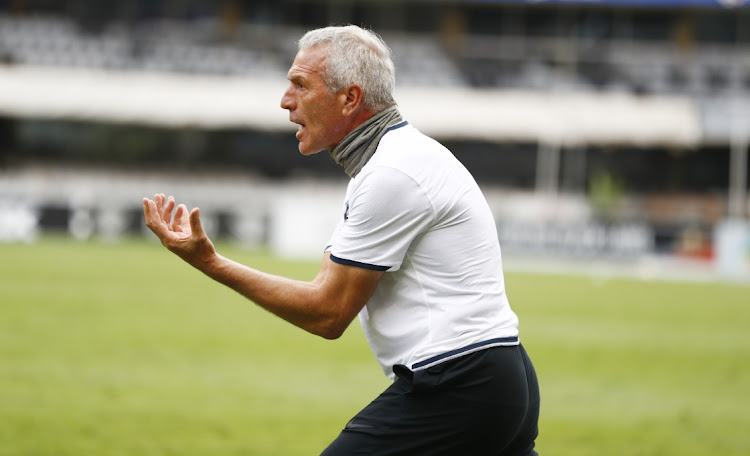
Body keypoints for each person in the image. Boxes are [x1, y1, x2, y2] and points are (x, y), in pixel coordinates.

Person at [143, 25, 539, 455]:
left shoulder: (391, 174)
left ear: (350, 98)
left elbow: (328, 314)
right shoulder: (391, 161)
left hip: (460, 382)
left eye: (300, 85)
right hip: (495, 374)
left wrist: (211, 264)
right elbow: (324, 286)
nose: (285, 100)